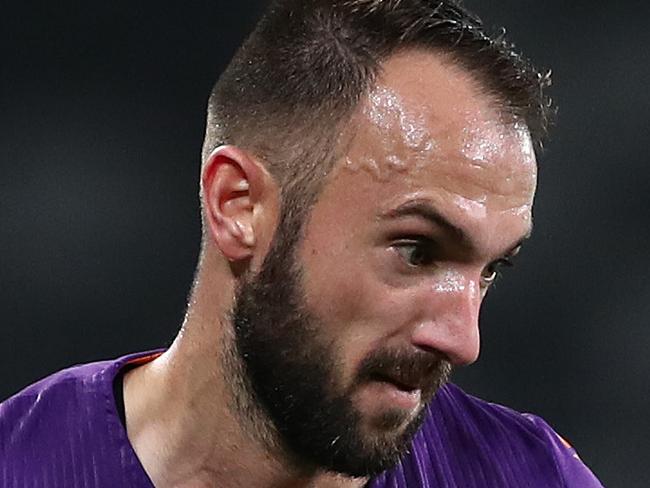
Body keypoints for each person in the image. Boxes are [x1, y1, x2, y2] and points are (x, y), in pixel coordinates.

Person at [0, 0, 604, 487]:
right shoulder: (21, 464)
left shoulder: (529, 473)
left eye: (490, 269)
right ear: (239, 207)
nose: (463, 339)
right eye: (416, 250)